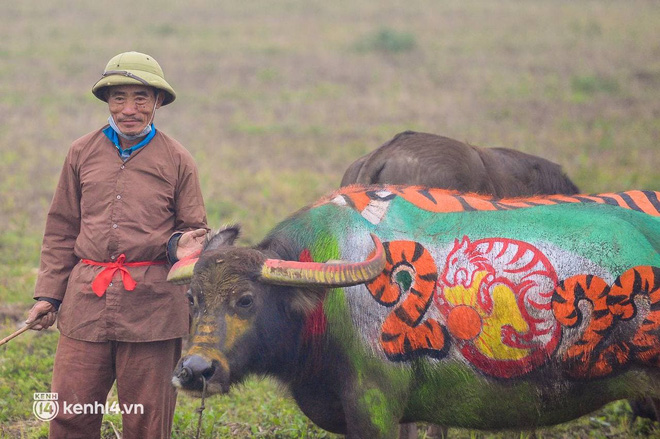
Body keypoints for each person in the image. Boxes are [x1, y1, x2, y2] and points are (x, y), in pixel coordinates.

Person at [25, 51, 208, 439]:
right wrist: (48, 297)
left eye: (141, 98)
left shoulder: (178, 160)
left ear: (158, 101)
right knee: (70, 412)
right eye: (119, 97)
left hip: (153, 310)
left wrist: (179, 245)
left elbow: (195, 231)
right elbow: (61, 228)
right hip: (85, 303)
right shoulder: (81, 152)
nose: (129, 109)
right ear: (107, 100)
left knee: (146, 420)